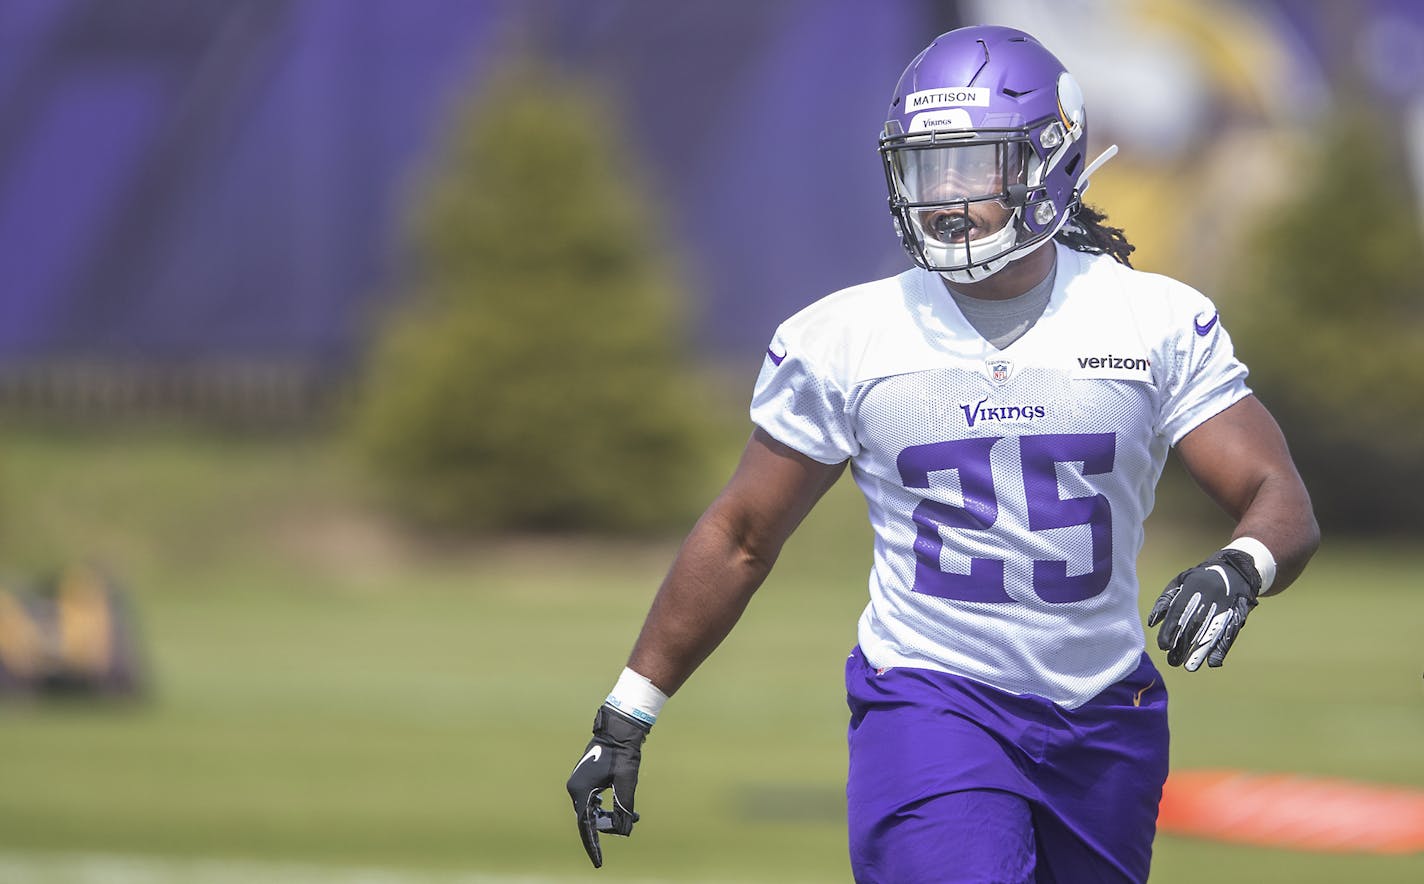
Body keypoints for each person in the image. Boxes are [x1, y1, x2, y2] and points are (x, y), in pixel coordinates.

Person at [565, 24, 1319, 883]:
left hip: (1107, 712)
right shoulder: (846, 336)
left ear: (1051, 164)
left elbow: (1276, 492)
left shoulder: (1149, 320)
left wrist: (1242, 566)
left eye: (972, 166)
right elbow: (742, 532)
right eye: (927, 169)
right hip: (930, 700)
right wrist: (628, 711)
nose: (944, 198)